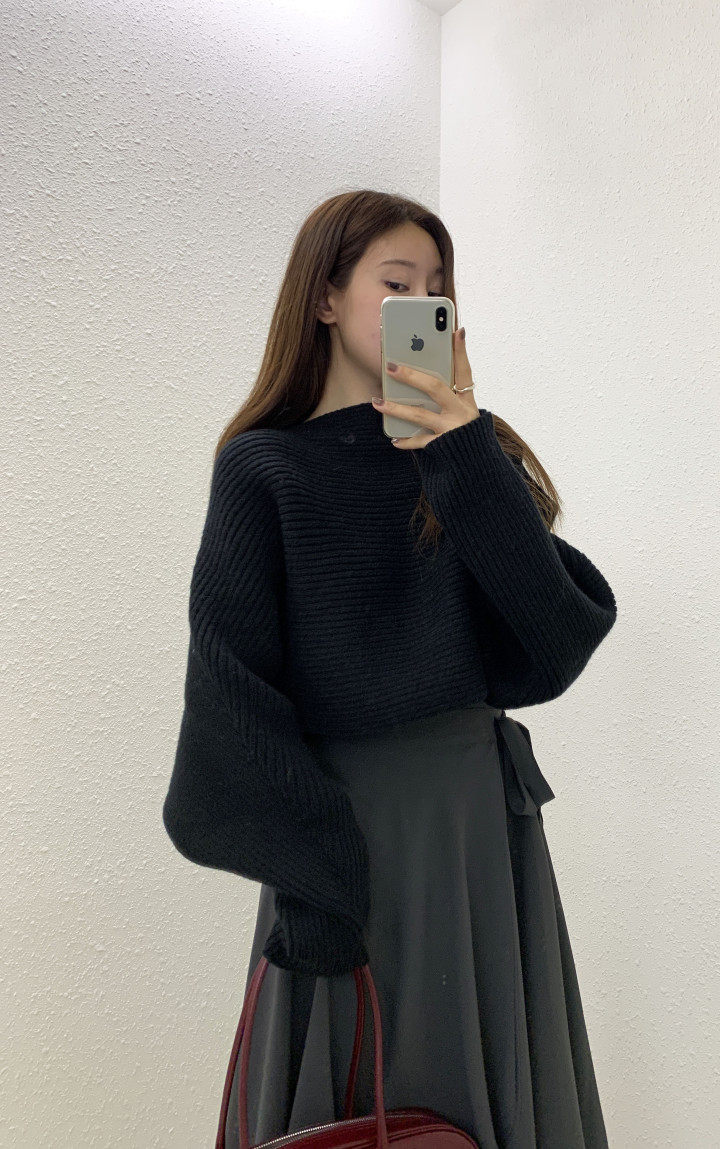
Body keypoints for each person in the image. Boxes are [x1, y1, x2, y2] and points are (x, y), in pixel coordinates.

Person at [162, 189, 618, 1148]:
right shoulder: (264, 467)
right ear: (326, 298)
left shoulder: (467, 454)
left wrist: (461, 447)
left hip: (474, 823)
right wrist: (314, 874)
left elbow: (555, 640)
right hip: (343, 832)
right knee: (352, 1095)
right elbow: (232, 688)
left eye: (438, 288)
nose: (425, 306)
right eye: (397, 283)